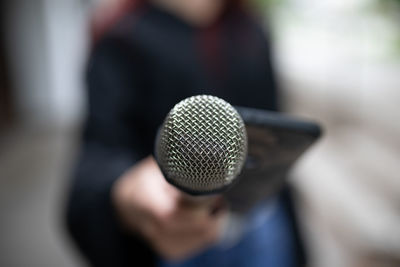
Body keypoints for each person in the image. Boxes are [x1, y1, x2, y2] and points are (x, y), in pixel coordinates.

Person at [65, 0, 305, 266]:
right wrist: (129, 195)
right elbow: (99, 155)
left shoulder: (250, 31)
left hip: (261, 224)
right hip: (175, 238)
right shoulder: (121, 37)